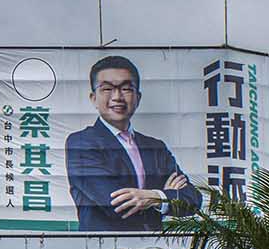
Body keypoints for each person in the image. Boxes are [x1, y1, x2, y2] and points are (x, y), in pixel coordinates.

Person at [66, 55, 201, 232]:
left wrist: (153, 197)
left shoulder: (155, 147)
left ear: (138, 97)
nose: (117, 97)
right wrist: (165, 196)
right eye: (107, 88)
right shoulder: (81, 143)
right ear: (93, 98)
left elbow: (192, 200)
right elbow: (114, 205)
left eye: (126, 89)